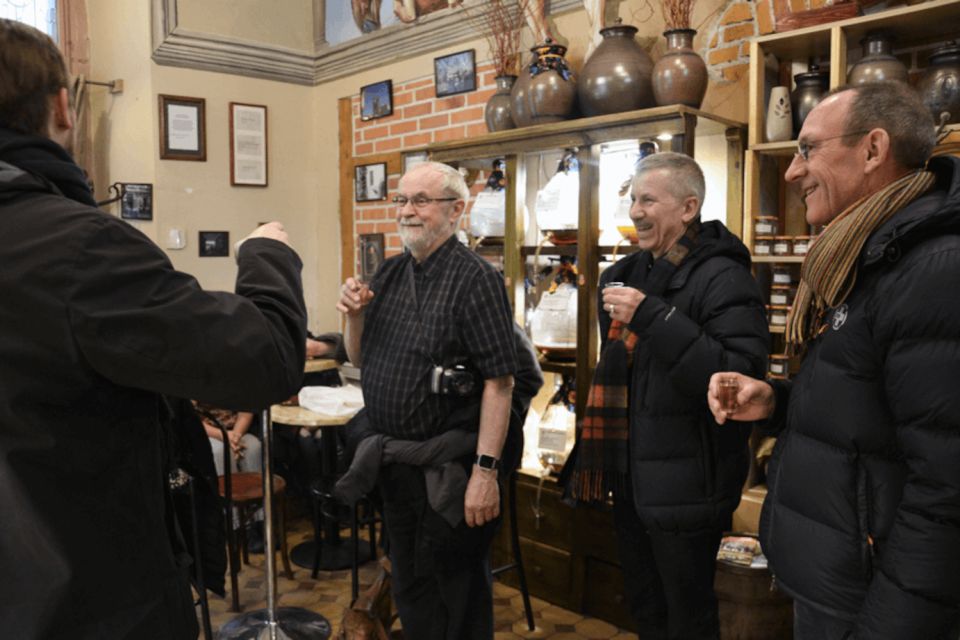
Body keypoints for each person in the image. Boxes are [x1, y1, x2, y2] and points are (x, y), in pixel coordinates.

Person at [0, 19, 307, 640]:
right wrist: (264, 254)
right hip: (87, 599)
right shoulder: (77, 247)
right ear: (64, 106)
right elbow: (267, 357)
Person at [708, 82, 960, 639]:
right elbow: (870, 415)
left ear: (873, 150)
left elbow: (946, 487)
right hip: (839, 581)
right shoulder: (864, 258)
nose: (793, 172)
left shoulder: (934, 269)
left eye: (807, 149)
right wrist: (777, 400)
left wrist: (886, 628)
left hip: (875, 602)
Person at [566, 152, 769, 639]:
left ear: (688, 207)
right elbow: (624, 376)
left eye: (649, 199)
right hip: (630, 476)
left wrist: (653, 318)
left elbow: (736, 380)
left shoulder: (725, 277)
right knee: (646, 608)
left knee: (689, 617)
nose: (635, 211)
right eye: (633, 198)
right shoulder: (624, 274)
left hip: (690, 484)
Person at [337, 161, 517, 639]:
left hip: (450, 471)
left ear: (456, 210)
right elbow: (359, 358)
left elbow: (500, 383)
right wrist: (353, 317)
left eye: (420, 200)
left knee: (455, 592)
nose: (407, 211)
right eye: (401, 200)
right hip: (396, 465)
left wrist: (485, 472)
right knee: (411, 585)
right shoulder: (391, 272)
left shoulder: (476, 279)